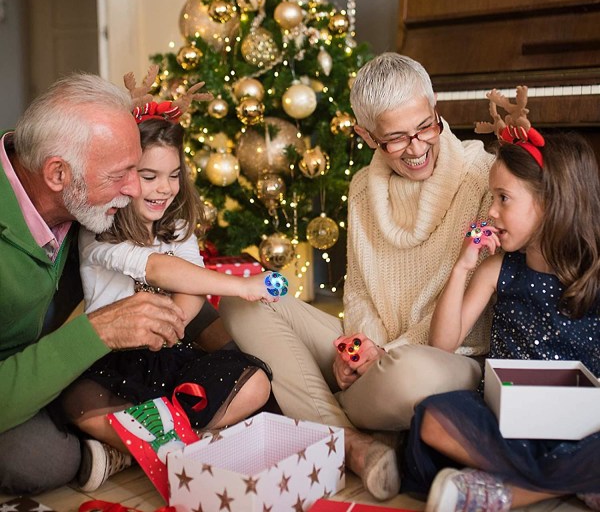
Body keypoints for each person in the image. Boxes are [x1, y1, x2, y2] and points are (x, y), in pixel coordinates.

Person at [217, 53, 495, 500]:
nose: (419, 146)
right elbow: (360, 288)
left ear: (435, 106)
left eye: (426, 125)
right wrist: (355, 350)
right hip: (374, 358)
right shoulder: (364, 187)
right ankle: (356, 443)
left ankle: (321, 418)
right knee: (242, 302)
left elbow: (469, 312)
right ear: (367, 136)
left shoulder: (482, 178)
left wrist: (386, 354)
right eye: (397, 139)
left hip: (441, 358)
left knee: (408, 375)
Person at [59, 104, 277, 491]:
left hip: (167, 352)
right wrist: (243, 285)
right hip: (110, 359)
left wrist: (172, 324)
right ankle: (175, 444)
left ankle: (129, 451)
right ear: (124, 177)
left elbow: (190, 286)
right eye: (150, 176)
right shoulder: (99, 229)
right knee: (76, 401)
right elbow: (156, 268)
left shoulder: (176, 225)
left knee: (255, 382)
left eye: (174, 175)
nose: (165, 188)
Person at [0, 73, 191, 494]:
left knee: (167, 278)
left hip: (50, 345)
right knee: (43, 461)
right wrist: (97, 331)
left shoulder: (52, 164)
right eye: (120, 174)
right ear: (58, 175)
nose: (135, 187)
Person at [401, 130, 600, 511]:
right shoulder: (498, 269)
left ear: (550, 201)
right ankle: (568, 482)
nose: (490, 211)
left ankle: (509, 492)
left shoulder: (593, 275)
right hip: (508, 424)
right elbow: (442, 343)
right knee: (433, 416)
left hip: (579, 428)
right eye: (493, 197)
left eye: (503, 198)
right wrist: (463, 265)